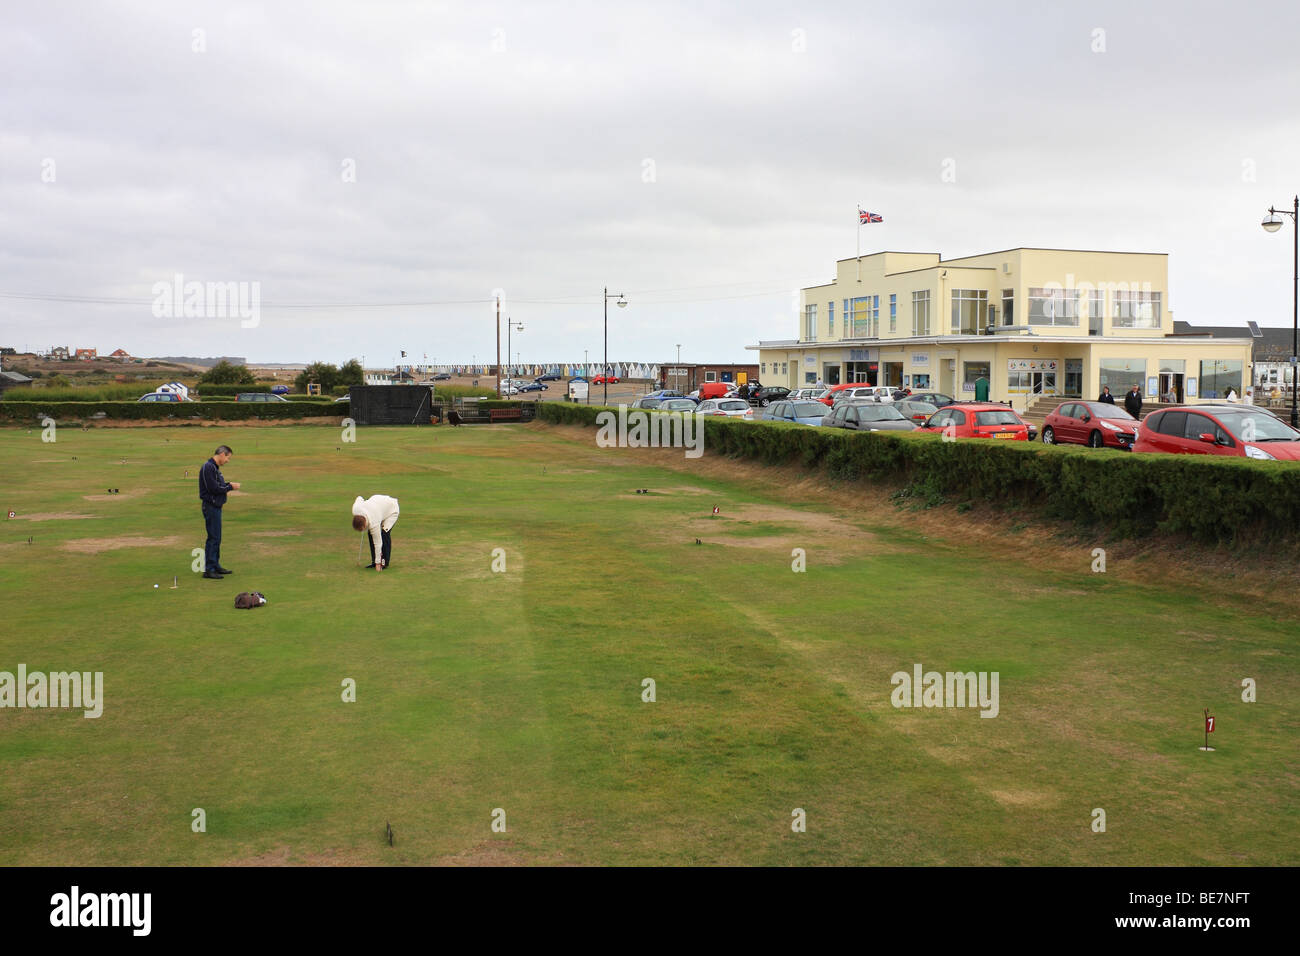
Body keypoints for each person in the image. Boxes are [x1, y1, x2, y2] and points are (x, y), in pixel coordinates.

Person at [198, 445, 240, 579]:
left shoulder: (214, 468)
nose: (228, 460)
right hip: (210, 506)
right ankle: (209, 569)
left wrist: (227, 485)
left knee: (217, 537)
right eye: (228, 457)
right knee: (213, 537)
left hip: (216, 506)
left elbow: (219, 486)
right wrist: (230, 487)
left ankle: (215, 565)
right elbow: (214, 488)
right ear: (222, 454)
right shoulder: (208, 467)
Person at [352, 494, 400, 570]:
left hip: (392, 510)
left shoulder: (374, 522)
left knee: (384, 534)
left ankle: (383, 563)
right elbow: (359, 497)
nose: (362, 531)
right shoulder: (356, 509)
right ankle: (374, 561)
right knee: (371, 533)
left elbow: (378, 543)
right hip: (378, 505)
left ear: (364, 524)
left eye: (362, 529)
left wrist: (378, 564)